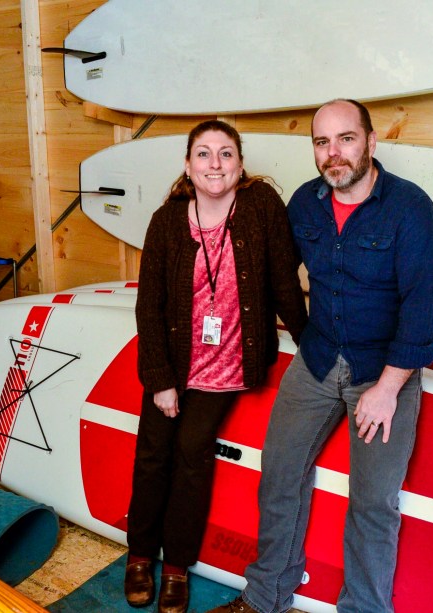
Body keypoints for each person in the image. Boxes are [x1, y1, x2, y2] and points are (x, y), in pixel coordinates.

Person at [208, 99, 433, 613]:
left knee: (373, 503)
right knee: (279, 475)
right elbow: (271, 270)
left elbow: (422, 310)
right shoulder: (305, 204)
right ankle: (265, 597)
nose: (333, 154)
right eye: (321, 142)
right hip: (317, 358)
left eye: (346, 139)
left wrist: (386, 390)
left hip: (383, 371)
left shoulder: (410, 208)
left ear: (371, 142)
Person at [126, 120, 308, 612]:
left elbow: (284, 282)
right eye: (203, 154)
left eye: (225, 154)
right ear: (188, 166)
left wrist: (312, 340)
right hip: (174, 362)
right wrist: (161, 381)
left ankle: (177, 568)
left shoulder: (260, 209)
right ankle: (140, 556)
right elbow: (149, 306)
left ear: (240, 164)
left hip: (229, 363)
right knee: (152, 455)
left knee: (191, 451)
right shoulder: (167, 222)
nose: (215, 164)